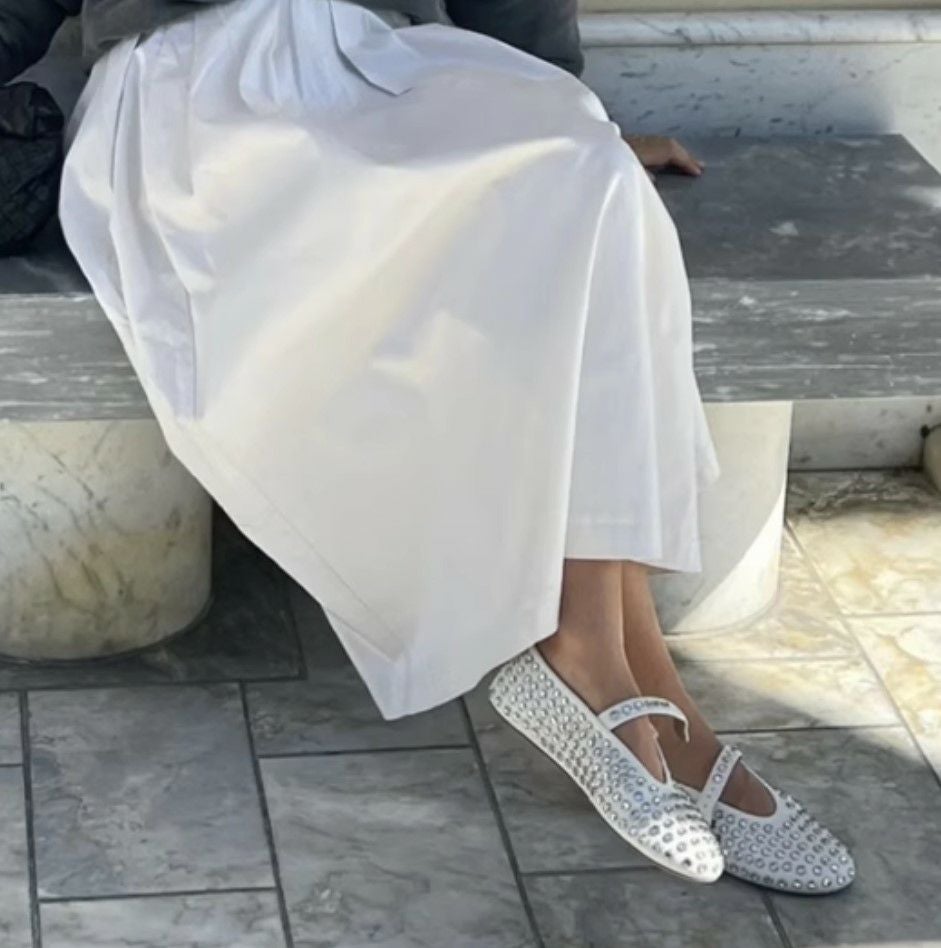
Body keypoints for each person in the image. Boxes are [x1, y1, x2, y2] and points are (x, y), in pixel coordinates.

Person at [2, 0, 854, 892]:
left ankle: (611, 670)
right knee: (558, 186)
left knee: (590, 173)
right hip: (200, 102)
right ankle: (630, 688)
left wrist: (574, 115)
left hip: (381, 62)